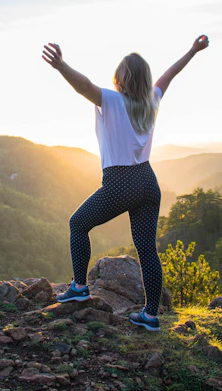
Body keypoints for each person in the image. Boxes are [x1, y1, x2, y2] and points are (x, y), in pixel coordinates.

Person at [42, 35, 210, 331]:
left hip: (121, 182)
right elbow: (169, 74)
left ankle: (80, 287)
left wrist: (61, 66)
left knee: (78, 224)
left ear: (121, 77)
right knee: (147, 250)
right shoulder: (152, 100)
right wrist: (192, 51)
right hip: (148, 181)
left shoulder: (112, 99)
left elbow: (84, 86)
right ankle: (151, 315)